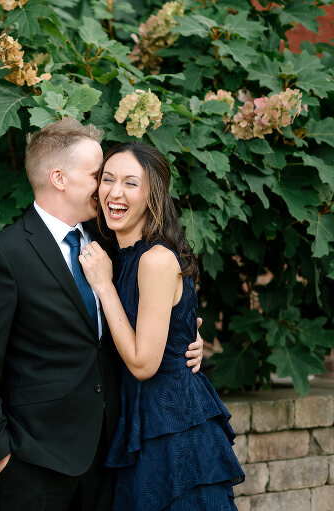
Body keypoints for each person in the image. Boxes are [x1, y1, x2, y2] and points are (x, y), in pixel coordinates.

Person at [0, 118, 204, 511]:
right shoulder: (6, 254)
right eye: (98, 176)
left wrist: (185, 341)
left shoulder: (112, 240)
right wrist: (4, 458)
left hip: (112, 456)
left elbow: (152, 309)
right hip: (37, 461)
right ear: (59, 178)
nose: (107, 190)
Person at [77, 141, 245, 510]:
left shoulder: (154, 260)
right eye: (107, 179)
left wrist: (104, 287)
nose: (115, 193)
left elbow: (143, 364)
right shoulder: (117, 255)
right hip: (140, 419)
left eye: (130, 183)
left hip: (171, 426)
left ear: (154, 194)